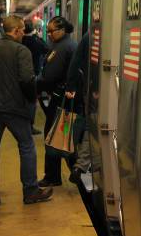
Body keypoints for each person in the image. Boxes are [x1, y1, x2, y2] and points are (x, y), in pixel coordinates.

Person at [0, 15, 53, 210]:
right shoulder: (21, 50)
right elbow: (27, 80)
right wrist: (31, 98)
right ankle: (30, 191)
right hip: (14, 108)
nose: (23, 34)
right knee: (26, 146)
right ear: (16, 30)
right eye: (22, 31)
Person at [37, 16, 77, 187]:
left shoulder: (63, 47)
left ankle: (54, 175)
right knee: (63, 134)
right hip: (64, 99)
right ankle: (75, 170)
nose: (49, 34)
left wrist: (37, 83)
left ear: (62, 30)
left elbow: (50, 75)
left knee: (53, 135)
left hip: (60, 100)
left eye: (51, 31)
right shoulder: (65, 44)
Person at [65, 31, 91, 184]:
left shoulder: (89, 34)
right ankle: (81, 164)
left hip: (89, 89)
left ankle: (77, 160)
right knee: (90, 126)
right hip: (99, 92)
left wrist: (71, 86)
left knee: (87, 124)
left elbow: (76, 61)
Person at [22, 19, 49, 135]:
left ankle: (24, 122)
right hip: (34, 74)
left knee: (25, 100)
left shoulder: (21, 40)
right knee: (32, 101)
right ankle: (29, 126)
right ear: (33, 29)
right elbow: (46, 48)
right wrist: (38, 37)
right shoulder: (35, 41)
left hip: (22, 74)